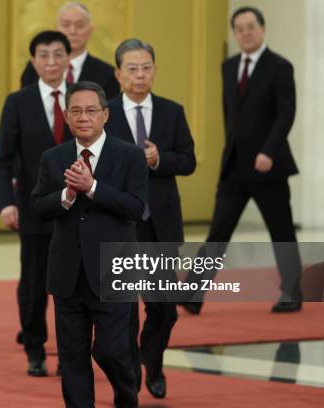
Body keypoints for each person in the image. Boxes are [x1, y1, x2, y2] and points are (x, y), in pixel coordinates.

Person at [32, 81, 148, 407]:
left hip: (114, 271)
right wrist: (66, 196)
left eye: (91, 111)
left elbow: (136, 208)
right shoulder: (52, 158)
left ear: (106, 115)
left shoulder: (130, 156)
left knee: (111, 350)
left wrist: (93, 187)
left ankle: (127, 395)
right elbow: (38, 207)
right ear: (67, 116)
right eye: (77, 111)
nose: (84, 117)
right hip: (67, 273)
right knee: (72, 358)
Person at [182, 6, 302, 315]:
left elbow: (286, 114)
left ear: (262, 29)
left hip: (268, 166)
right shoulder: (229, 66)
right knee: (219, 230)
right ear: (235, 34)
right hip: (234, 167)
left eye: (251, 27)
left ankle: (292, 292)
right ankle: (194, 292)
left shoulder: (280, 67)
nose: (245, 33)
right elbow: (230, 116)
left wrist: (269, 152)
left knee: (281, 231)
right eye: (239, 28)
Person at [106, 39, 196, 399]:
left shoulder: (172, 111)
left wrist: (161, 159)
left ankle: (153, 362)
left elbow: (188, 160)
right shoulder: (105, 113)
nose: (140, 75)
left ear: (155, 71)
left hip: (161, 225)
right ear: (118, 73)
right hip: (122, 225)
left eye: (146, 68)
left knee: (163, 308)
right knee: (125, 308)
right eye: (132, 68)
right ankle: (128, 375)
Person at [0, 30, 73, 376]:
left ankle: (73, 350)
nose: (52, 62)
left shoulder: (84, 99)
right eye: (44, 55)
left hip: (78, 207)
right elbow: (4, 159)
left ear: (68, 60)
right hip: (34, 206)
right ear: (34, 61)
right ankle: (34, 347)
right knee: (34, 282)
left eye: (58, 54)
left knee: (75, 283)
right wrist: (6, 202)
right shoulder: (18, 102)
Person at [20, 2, 119, 100]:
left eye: (79, 25)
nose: (72, 31)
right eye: (66, 25)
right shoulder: (34, 68)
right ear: (56, 28)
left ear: (90, 30)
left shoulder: (107, 73)